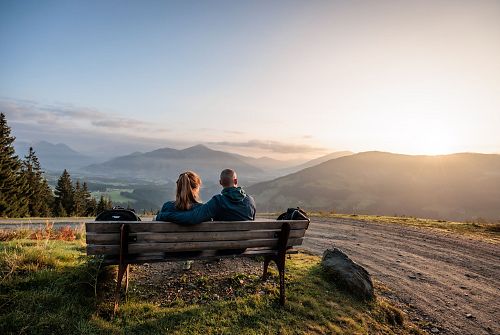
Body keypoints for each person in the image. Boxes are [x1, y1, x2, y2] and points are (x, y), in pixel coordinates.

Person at [156, 168, 256, 224]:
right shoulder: (250, 201)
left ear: (220, 182)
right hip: (243, 247)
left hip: (223, 246)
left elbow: (192, 218)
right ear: (236, 181)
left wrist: (163, 215)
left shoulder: (218, 201)